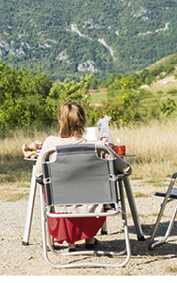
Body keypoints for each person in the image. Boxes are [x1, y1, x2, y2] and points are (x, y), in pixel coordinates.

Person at [32, 100, 131, 251]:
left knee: (47, 182)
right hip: (93, 210)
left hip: (60, 208)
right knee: (91, 190)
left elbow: (37, 173)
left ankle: (58, 239)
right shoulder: (98, 147)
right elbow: (127, 169)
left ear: (60, 121)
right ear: (83, 122)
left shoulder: (50, 144)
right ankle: (89, 238)